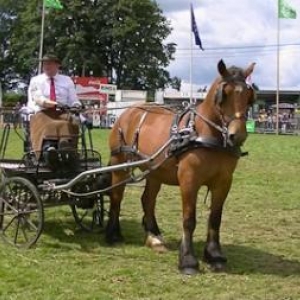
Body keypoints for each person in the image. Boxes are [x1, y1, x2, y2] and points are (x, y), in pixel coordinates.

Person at [27, 53, 82, 169]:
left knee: (72, 120)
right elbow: (39, 99)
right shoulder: (36, 80)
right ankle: (49, 149)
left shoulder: (67, 80)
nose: (46, 66)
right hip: (42, 112)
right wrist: (56, 104)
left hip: (62, 113)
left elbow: (74, 100)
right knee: (54, 123)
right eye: (45, 64)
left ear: (58, 66)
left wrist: (76, 106)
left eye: (50, 64)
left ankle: (66, 147)